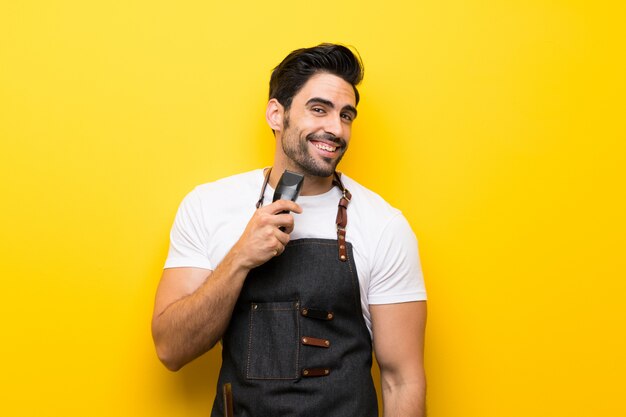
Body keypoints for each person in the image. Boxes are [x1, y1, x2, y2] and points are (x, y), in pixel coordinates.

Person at [152, 43, 427, 417]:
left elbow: (402, 379)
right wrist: (239, 259)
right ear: (276, 114)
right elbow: (170, 349)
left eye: (347, 115)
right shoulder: (209, 205)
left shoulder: (383, 225)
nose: (336, 128)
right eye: (319, 109)